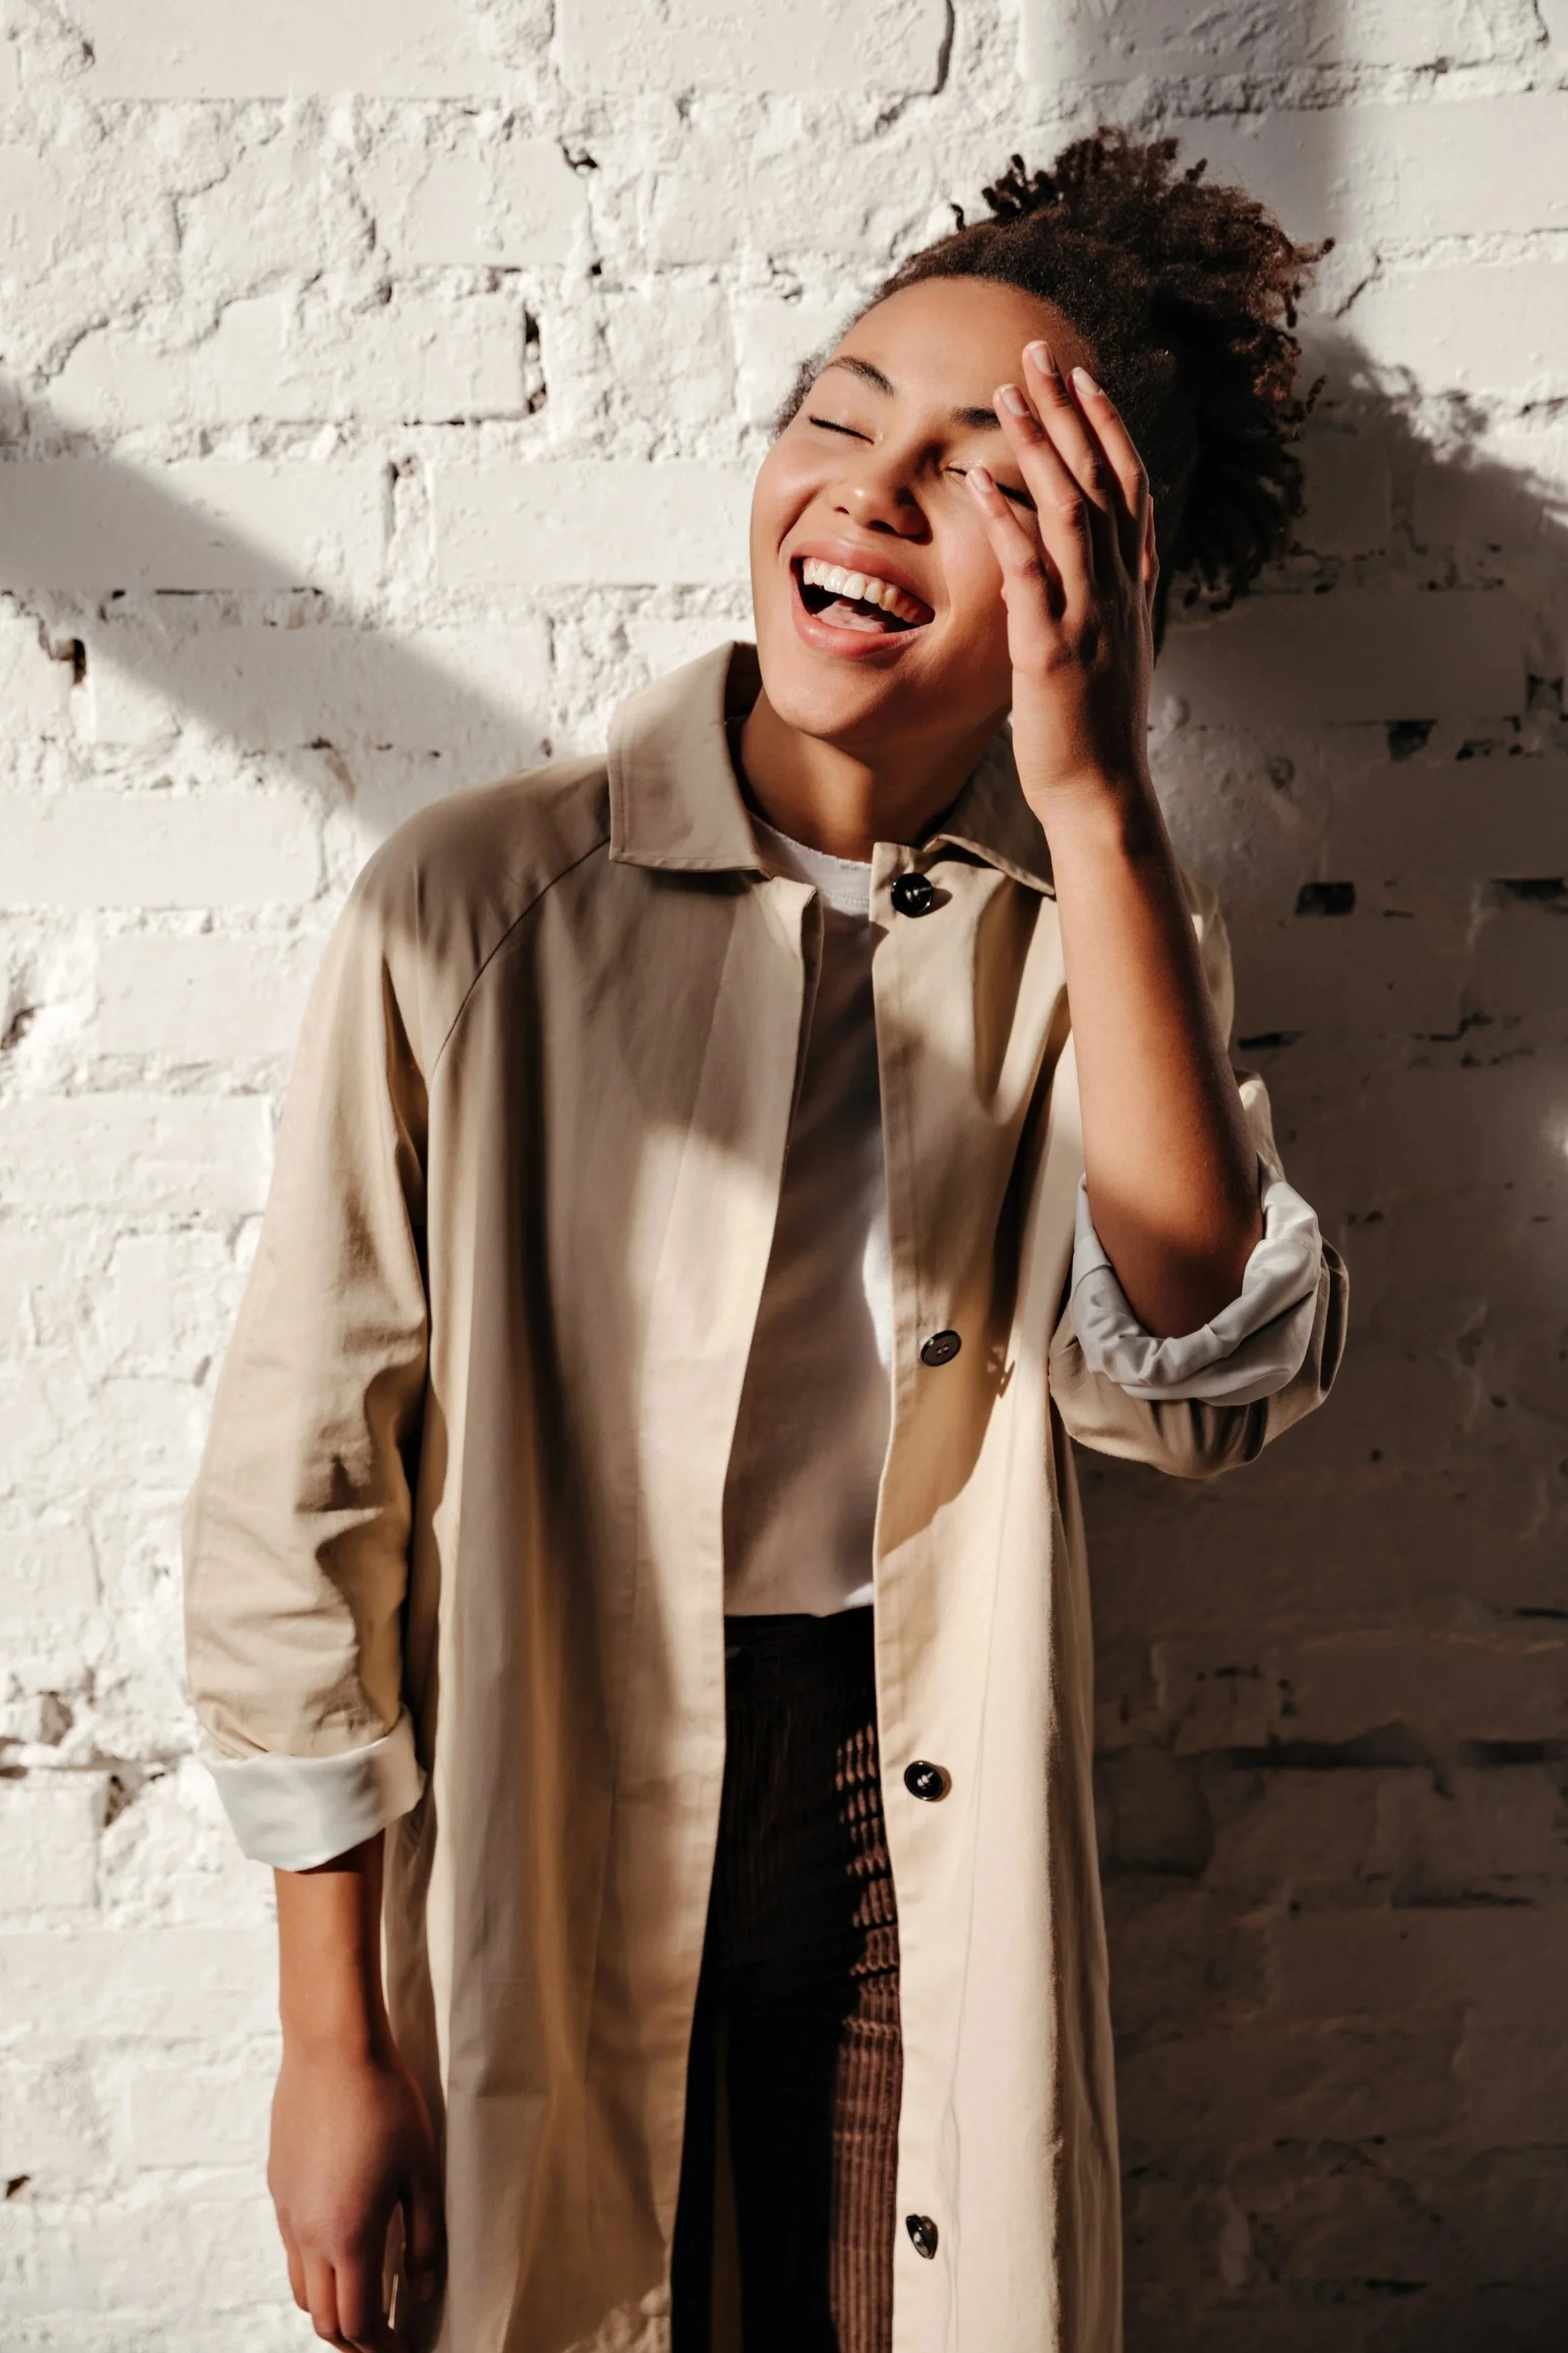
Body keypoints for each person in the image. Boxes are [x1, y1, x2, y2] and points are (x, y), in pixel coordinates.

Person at [183, 128, 1348, 2353]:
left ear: (1107, 575)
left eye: (986, 480)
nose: (870, 494)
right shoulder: (472, 907)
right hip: (551, 1763)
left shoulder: (1102, 940)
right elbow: (296, 1497)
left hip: (906, 1791)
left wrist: (1094, 799)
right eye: (836, 415)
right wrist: (326, 2042)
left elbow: (1187, 1388)